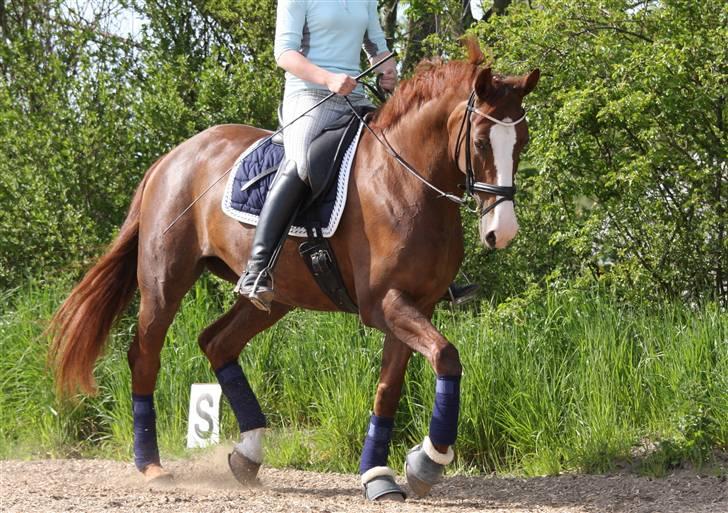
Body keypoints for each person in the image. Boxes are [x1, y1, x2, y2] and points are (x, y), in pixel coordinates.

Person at [236, 0, 478, 310]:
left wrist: (386, 66)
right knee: (302, 164)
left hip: (355, 96)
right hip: (309, 98)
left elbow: (376, 43)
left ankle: (430, 272)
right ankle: (258, 268)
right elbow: (284, 54)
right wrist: (327, 78)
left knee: (400, 156)